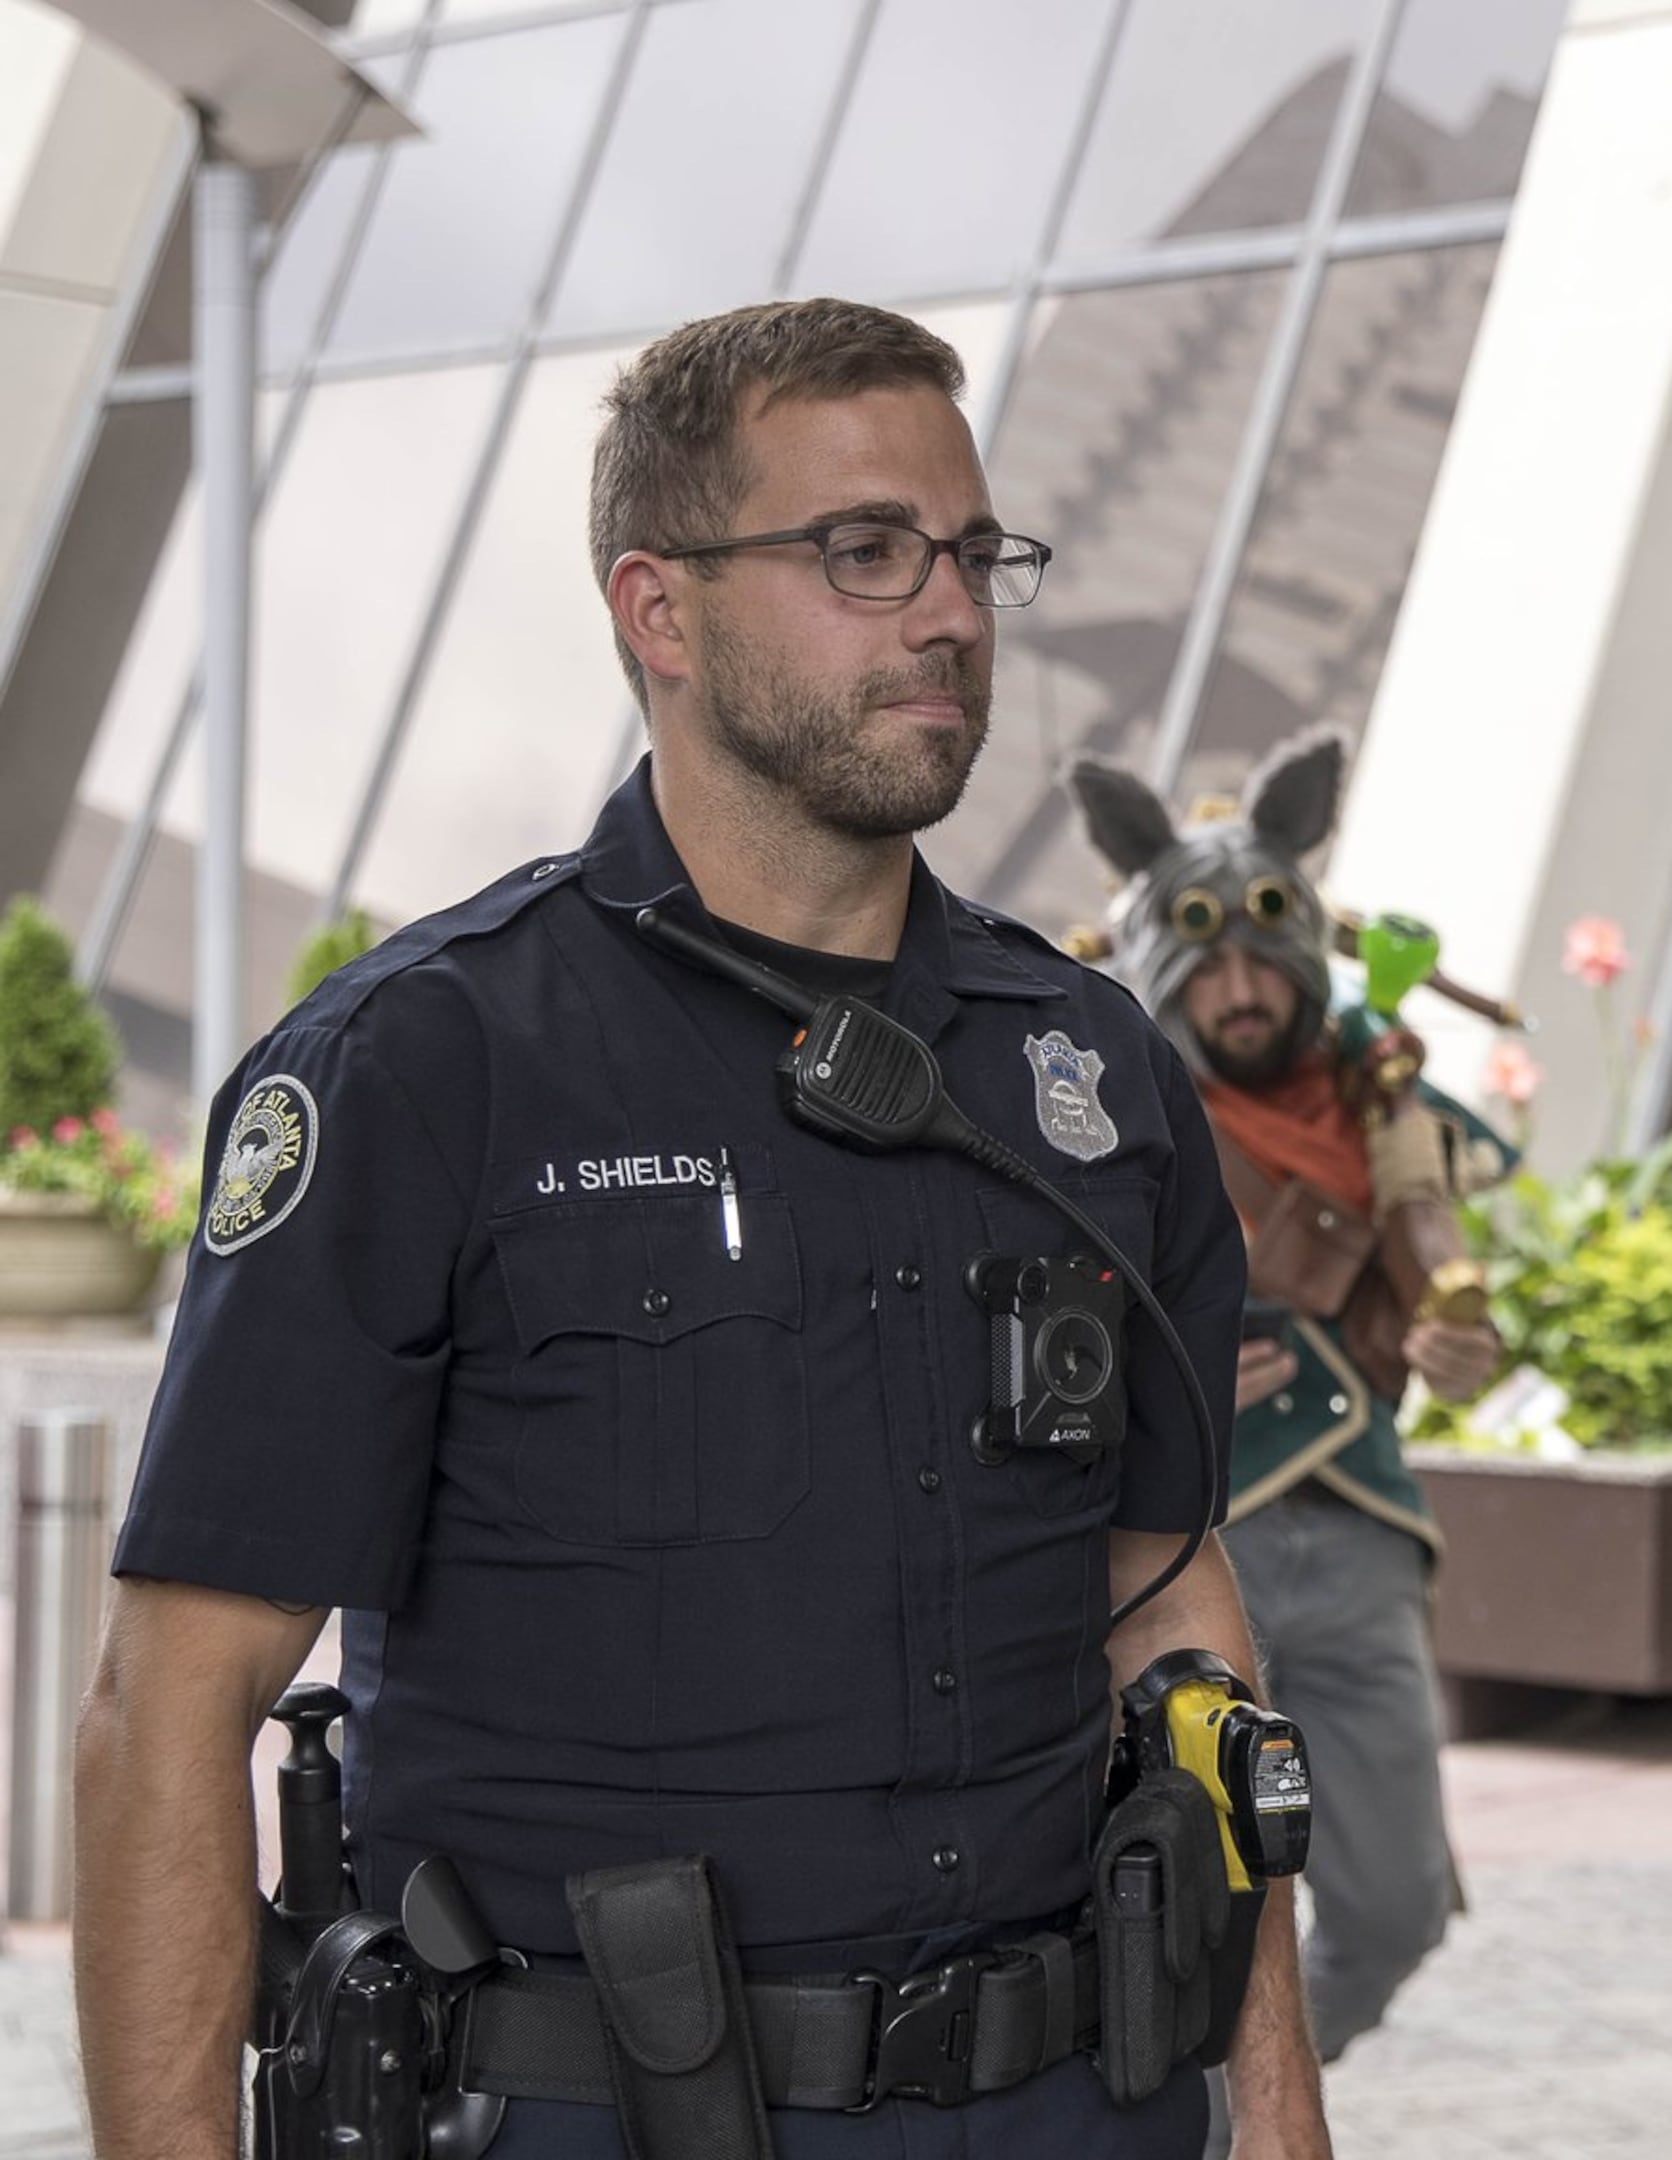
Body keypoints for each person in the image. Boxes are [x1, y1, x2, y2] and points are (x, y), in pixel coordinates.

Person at [73, 299, 1329, 2158]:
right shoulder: (424, 1066)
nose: (952, 614)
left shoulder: (1092, 1068)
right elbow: (172, 1713)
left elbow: (1177, 1616)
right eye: (864, 552)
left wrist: (1282, 2120)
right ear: (657, 610)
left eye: (975, 554)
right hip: (609, 2113)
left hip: (1084, 2098)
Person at [1063, 740, 1507, 2063]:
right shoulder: (1099, 1104)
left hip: (1362, 1526)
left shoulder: (1383, 1093)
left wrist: (1449, 1352)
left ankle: (1254, 2112)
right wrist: (1141, 1370)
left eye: (1266, 961)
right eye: (1214, 969)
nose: (1244, 993)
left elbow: (1427, 1283)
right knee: (1182, 1906)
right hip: (1184, 1542)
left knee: (1395, 1906)